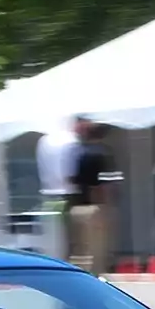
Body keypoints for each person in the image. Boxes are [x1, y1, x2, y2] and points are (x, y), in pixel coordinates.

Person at [67, 118, 115, 276]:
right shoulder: (102, 153)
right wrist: (105, 204)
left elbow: (71, 178)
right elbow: (103, 184)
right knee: (97, 249)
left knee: (80, 248)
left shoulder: (77, 152)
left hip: (77, 205)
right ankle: (95, 277)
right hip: (95, 206)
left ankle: (79, 276)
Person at [36, 120, 79, 260]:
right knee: (70, 239)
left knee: (53, 239)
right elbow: (70, 173)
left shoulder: (44, 141)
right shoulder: (72, 140)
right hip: (68, 196)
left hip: (48, 196)